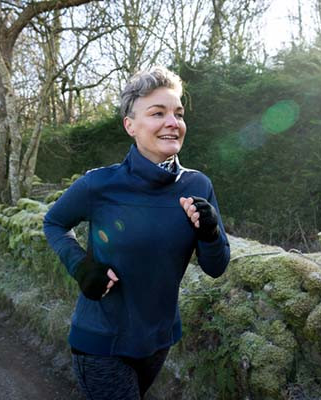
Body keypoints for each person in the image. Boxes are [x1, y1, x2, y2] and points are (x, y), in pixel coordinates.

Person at [43, 66, 230, 400]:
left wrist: (210, 230)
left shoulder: (198, 185)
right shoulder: (99, 184)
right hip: (102, 342)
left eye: (178, 113)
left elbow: (216, 266)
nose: (173, 122)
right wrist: (80, 266)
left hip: (158, 340)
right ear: (131, 125)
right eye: (158, 113)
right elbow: (54, 223)